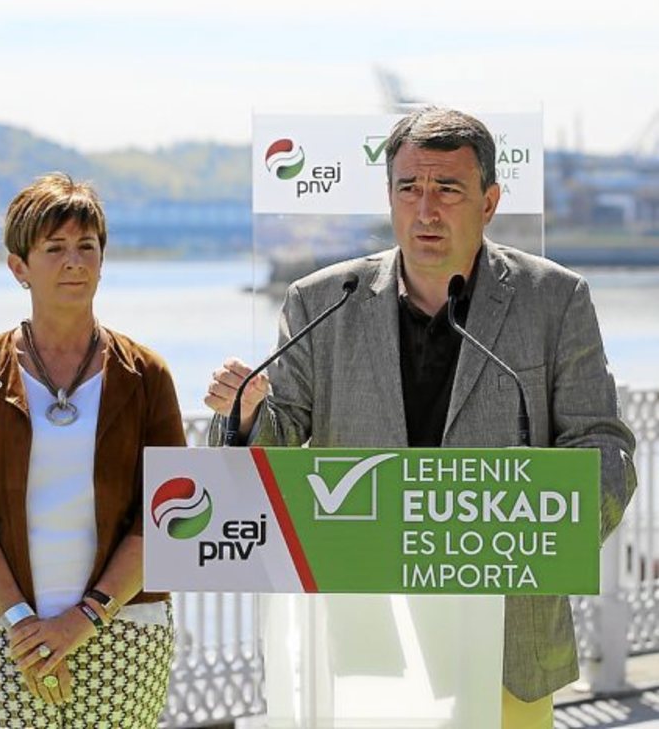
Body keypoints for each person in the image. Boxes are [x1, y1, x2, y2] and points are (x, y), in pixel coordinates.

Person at [205, 107, 637, 729]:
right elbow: (276, 442)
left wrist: (547, 537)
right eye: (409, 188)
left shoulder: (555, 298)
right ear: (389, 197)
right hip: (365, 640)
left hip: (508, 639)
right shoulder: (321, 301)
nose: (426, 210)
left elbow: (603, 444)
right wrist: (247, 417)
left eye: (448, 189)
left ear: (490, 202)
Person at [0, 173, 186, 729]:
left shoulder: (147, 375)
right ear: (18, 267)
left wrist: (83, 620)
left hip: (124, 628)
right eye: (54, 248)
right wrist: (25, 626)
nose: (75, 262)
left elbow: (165, 514)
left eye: (86, 246)